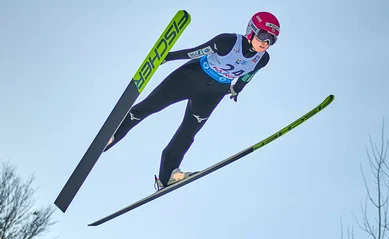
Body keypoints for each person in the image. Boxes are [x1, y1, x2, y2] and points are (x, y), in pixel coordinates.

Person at [104, 11, 280, 189]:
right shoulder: (227, 41)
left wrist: (237, 89)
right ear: (251, 30)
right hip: (190, 77)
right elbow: (195, 52)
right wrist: (168, 56)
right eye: (263, 36)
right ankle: (112, 135)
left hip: (214, 94)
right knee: (150, 106)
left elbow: (249, 75)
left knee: (188, 132)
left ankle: (168, 176)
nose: (266, 43)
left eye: (271, 40)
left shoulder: (263, 59)